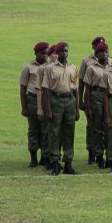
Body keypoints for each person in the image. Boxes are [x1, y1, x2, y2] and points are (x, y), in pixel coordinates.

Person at [40, 42, 79, 176]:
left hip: (69, 100)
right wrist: (48, 110)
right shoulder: (50, 68)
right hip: (55, 100)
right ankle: (55, 163)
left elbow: (75, 90)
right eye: (62, 51)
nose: (65, 54)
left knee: (69, 132)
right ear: (57, 53)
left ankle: (68, 162)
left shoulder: (73, 67)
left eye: (66, 51)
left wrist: (77, 109)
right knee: (54, 133)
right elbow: (46, 90)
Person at [81, 42, 110, 168]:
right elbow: (87, 88)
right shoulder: (91, 68)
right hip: (96, 96)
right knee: (97, 128)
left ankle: (110, 155)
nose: (104, 54)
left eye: (106, 52)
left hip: (109, 96)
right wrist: (87, 106)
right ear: (96, 55)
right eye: (101, 52)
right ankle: (98, 156)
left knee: (109, 127)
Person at [20, 41, 48, 168]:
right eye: (42, 53)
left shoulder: (50, 66)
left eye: (46, 53)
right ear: (36, 53)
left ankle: (44, 157)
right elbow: (23, 88)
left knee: (45, 129)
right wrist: (24, 107)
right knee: (33, 129)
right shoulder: (28, 67)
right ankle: (33, 157)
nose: (45, 56)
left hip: (46, 100)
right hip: (32, 100)